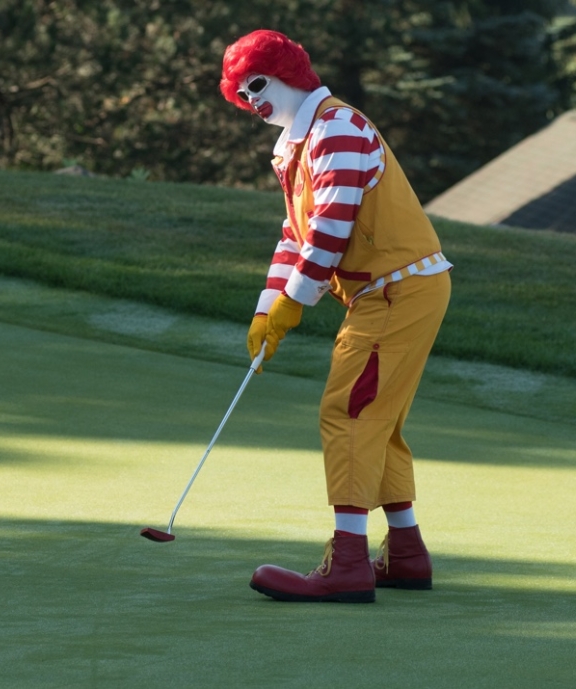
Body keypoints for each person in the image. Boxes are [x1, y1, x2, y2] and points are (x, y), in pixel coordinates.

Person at [219, 29, 453, 603]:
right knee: (377, 418)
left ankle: (347, 563)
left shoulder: (338, 128)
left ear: (288, 72)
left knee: (347, 412)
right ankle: (405, 552)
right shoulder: (298, 144)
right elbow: (293, 238)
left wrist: (295, 302)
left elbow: (331, 231)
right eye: (243, 96)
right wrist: (266, 310)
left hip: (397, 289)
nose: (254, 102)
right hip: (392, 291)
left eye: (257, 85)